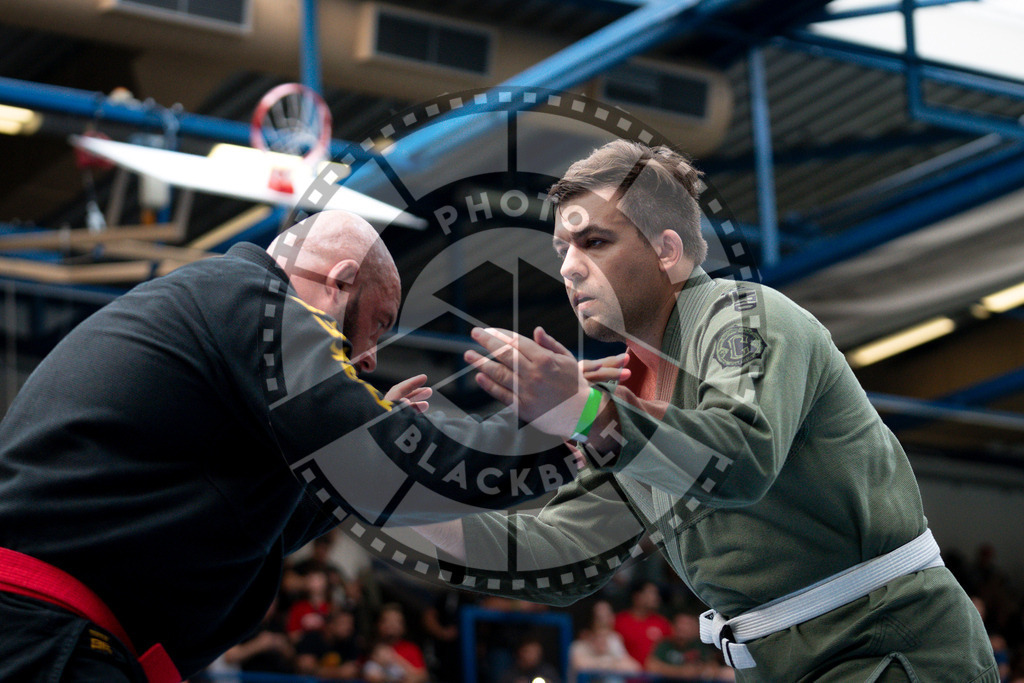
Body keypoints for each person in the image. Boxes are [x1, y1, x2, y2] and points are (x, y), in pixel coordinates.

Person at [416, 140, 999, 681]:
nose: (569, 268)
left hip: (888, 647)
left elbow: (739, 458)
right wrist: (396, 498)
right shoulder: (628, 396)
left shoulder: (746, 316)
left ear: (667, 251)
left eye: (594, 242)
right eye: (562, 250)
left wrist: (584, 408)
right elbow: (566, 553)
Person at [0, 209, 585, 682]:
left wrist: (379, 436)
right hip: (46, 635)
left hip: (52, 633)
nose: (375, 357)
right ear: (338, 284)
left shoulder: (223, 317)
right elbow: (393, 471)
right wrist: (556, 431)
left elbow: (274, 520)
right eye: (378, 325)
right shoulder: (254, 303)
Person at [568, 599, 640, 682]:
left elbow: (634, 668)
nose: (604, 620)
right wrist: (611, 663)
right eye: (600, 617)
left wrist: (607, 664)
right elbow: (580, 666)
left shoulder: (613, 640)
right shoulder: (578, 645)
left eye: (607, 615)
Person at [646, 612, 731, 682]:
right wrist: (681, 672)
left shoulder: (699, 645)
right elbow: (651, 666)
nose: (683, 627)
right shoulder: (665, 644)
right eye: (680, 623)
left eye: (687, 624)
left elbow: (712, 667)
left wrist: (701, 671)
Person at [612, 580, 670, 666]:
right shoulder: (618, 621)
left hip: (655, 677)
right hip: (625, 674)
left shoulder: (662, 623)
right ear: (637, 596)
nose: (656, 597)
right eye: (651, 593)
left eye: (656, 594)